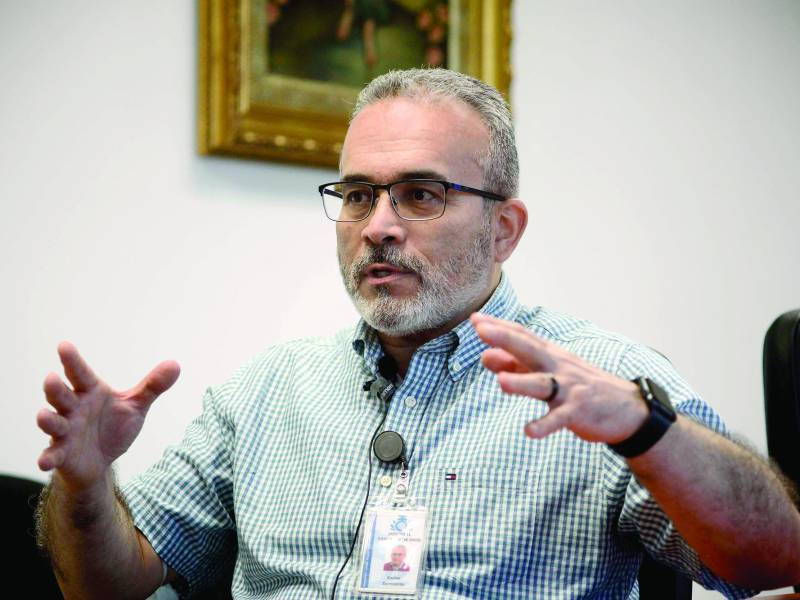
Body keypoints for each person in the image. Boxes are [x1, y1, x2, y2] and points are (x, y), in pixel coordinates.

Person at [35, 68, 800, 600]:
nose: (378, 228)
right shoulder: (265, 391)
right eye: (359, 194)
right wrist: (85, 482)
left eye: (421, 195)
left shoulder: (602, 385)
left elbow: (775, 557)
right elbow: (106, 583)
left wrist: (647, 429)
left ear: (504, 229)